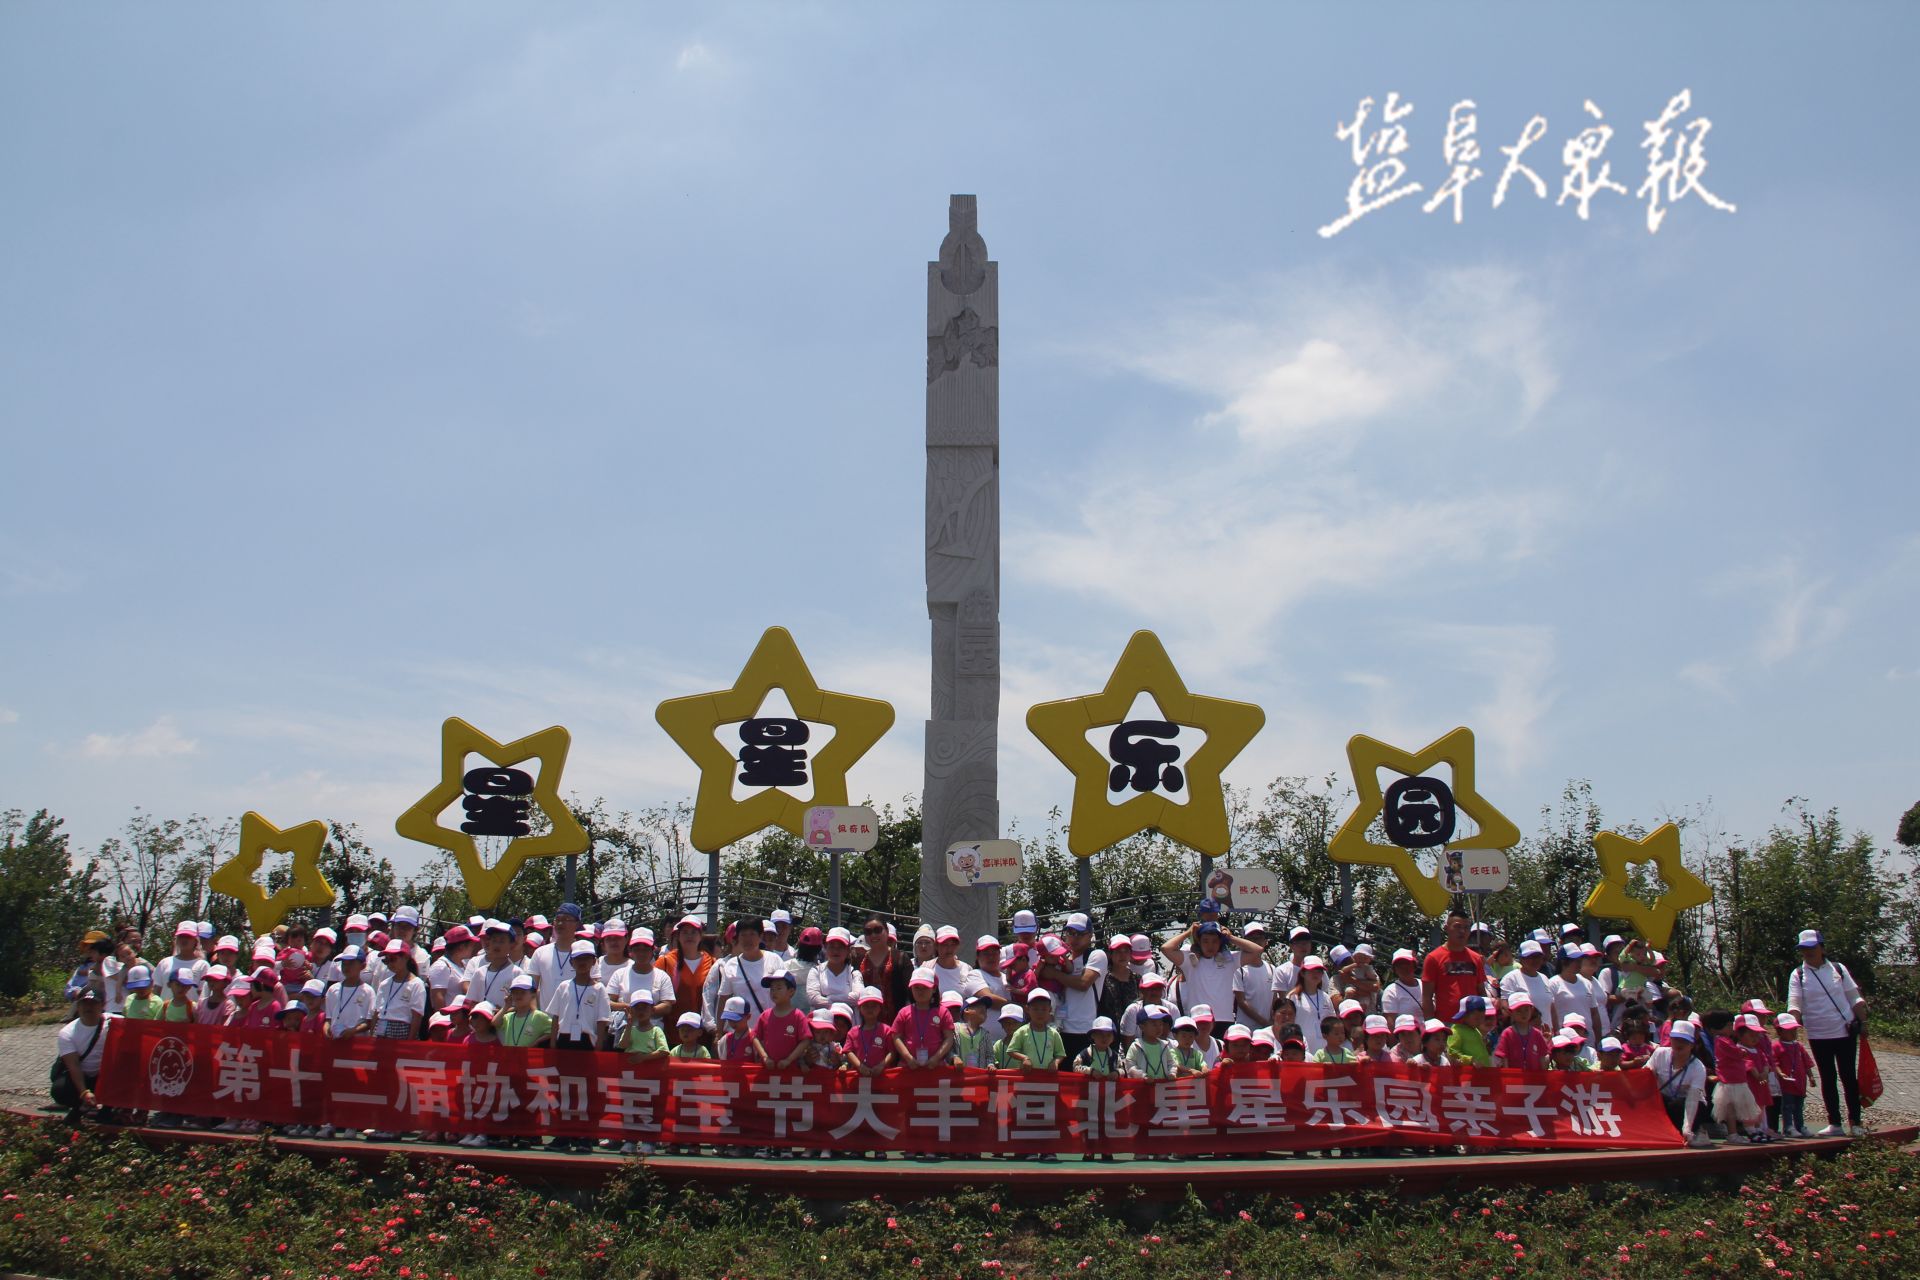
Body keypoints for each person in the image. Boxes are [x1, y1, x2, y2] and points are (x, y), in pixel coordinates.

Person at [1785, 928, 1868, 1136]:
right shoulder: (1798, 974)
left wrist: (1864, 1022)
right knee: (1828, 1077)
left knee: (1849, 1076)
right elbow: (1794, 1004)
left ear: (1822, 947)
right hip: (1818, 1033)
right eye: (1804, 948)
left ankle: (1855, 1122)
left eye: (1812, 947)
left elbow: (1853, 997)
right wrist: (1791, 1027)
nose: (1808, 952)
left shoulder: (1838, 969)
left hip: (1844, 1030)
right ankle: (1835, 1123)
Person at [1161, 918, 1263, 1018]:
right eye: (1205, 941)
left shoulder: (1229, 960)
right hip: (1199, 1019)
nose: (1210, 945)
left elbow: (1257, 950)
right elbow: (1165, 948)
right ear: (1199, 942)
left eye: (1215, 941)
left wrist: (1230, 937)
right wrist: (1188, 932)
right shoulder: (1190, 960)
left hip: (1224, 1019)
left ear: (1220, 942)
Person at [1647, 1022, 1712, 1147]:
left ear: (1692, 1044)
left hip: (1689, 1105)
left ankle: (1694, 1131)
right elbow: (1645, 1075)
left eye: (1684, 1040)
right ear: (1670, 1039)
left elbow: (1692, 1099)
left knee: (1678, 1105)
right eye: (1676, 1039)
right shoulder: (1659, 1054)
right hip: (1664, 1101)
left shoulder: (1698, 1067)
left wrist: (1686, 1128)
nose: (1679, 1043)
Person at [53, 987, 112, 1121]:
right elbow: (74, 1066)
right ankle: (81, 1106)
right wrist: (84, 1092)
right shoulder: (67, 1033)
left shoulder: (115, 1022)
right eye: (85, 1003)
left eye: (93, 1004)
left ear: (103, 1005)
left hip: (106, 1076)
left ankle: (109, 1109)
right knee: (59, 1090)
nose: (88, 1007)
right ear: (78, 1006)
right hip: (83, 1077)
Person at [1421, 910, 1487, 1025]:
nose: (1462, 931)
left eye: (1466, 927)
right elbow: (1427, 997)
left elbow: (1482, 992)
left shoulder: (1476, 959)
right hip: (1445, 1024)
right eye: (1457, 927)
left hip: (1472, 1025)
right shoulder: (1433, 958)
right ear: (1446, 928)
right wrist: (1430, 1025)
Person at [890, 971, 955, 1069]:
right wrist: (908, 1058)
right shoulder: (903, 1012)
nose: (920, 992)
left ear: (934, 989)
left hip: (936, 1067)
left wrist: (936, 1058)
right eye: (916, 988)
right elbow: (896, 1037)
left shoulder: (943, 1012)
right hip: (908, 1067)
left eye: (925, 987)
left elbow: (949, 1038)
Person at [752, 971, 812, 1074]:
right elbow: (754, 1036)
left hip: (791, 1072)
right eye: (772, 989)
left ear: (791, 991)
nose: (774, 992)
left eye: (779, 988)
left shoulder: (798, 1016)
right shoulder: (765, 1015)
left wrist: (789, 1060)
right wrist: (765, 1057)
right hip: (767, 1070)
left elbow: (805, 1040)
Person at [374, 939, 427, 1040]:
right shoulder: (384, 984)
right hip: (382, 1027)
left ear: (406, 957)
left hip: (402, 1029)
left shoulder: (416, 984)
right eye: (386, 960)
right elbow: (377, 1012)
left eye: (393, 959)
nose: (390, 964)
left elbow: (417, 1016)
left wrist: (409, 1041)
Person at [1772, 1014, 1814, 1138]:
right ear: (1779, 1031)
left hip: (1800, 1082)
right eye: (1789, 1030)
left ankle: (1800, 1126)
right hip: (1786, 1083)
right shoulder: (1776, 1046)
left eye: (1794, 1030)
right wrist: (1780, 1072)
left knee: (1799, 1106)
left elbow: (1806, 1062)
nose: (1793, 1032)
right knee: (1787, 1105)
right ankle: (1788, 1127)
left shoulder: (1798, 1046)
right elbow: (1774, 1062)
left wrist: (1811, 1077)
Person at [1230, 922, 1278, 1030]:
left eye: (1259, 938)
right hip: (1245, 1028)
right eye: (1252, 939)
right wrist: (1263, 1022)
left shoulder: (1272, 969)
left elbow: (1274, 999)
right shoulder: (1239, 970)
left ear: (1265, 941)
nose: (1256, 941)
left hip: (1268, 1028)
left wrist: (1271, 1021)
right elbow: (1241, 1002)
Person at [1284, 957, 1335, 1055]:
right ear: (1303, 973)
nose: (1316, 974)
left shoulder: (1325, 997)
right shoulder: (1293, 997)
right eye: (1312, 970)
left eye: (1319, 971)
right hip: (1302, 1050)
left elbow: (1332, 1023)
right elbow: (1287, 1024)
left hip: (1324, 1051)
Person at [1007, 991, 1065, 1073]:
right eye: (1035, 1009)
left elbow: (1060, 1054)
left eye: (1044, 1009)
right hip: (1026, 1077)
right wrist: (1024, 1058)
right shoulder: (1021, 1031)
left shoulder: (1054, 1033)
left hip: (1047, 1079)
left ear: (1050, 1010)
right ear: (1027, 1009)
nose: (1040, 1013)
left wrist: (1055, 1062)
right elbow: (1011, 1050)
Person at [1492, 994, 1549, 1070]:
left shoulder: (1537, 1034)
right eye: (1519, 1010)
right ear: (1511, 1012)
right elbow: (1504, 1058)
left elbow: (1542, 1058)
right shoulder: (1507, 1033)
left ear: (1531, 1010)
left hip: (1534, 1079)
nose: (1523, 1013)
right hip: (1514, 1079)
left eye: (1526, 1009)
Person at [498, 975, 555, 1049]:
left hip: (529, 1058)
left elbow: (555, 1030)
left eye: (523, 992)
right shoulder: (510, 1016)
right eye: (515, 992)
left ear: (533, 994)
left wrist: (537, 1041)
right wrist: (506, 1006)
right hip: (510, 1057)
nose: (518, 995)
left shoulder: (539, 1016)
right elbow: (495, 1022)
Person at [845, 990, 893, 1076]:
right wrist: (860, 1066)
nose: (870, 1009)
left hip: (881, 1077)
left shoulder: (887, 1030)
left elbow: (892, 1052)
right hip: (858, 1078)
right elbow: (848, 1051)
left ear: (880, 1008)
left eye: (874, 1006)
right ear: (859, 1008)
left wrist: (882, 1065)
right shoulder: (853, 1032)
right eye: (866, 1006)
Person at [1126, 1006, 1177, 1080]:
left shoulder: (1165, 1045)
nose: (1159, 1027)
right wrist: (1143, 1076)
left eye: (1160, 1024)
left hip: (1162, 1088)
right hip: (1143, 1088)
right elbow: (1130, 1065)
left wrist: (1172, 1073)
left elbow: (1171, 1063)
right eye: (1154, 1024)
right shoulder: (1136, 1046)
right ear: (1142, 1027)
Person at [1446, 996, 1493, 1067]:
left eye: (1482, 1017)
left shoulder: (1476, 1030)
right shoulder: (1456, 1031)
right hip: (1467, 1075)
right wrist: (1470, 1060)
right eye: (1476, 1018)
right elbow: (1452, 1053)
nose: (1480, 1021)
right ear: (1464, 1015)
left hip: (1483, 1073)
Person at [1381, 949, 1424, 1025]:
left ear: (1414, 966)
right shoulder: (1391, 991)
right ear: (1395, 969)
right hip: (1406, 1035)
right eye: (1399, 965)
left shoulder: (1425, 985)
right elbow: (1390, 1023)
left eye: (1407, 963)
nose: (1404, 967)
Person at [954, 994, 995, 1068]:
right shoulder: (955, 1028)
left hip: (978, 1077)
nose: (984, 1008)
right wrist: (954, 1057)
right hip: (958, 1076)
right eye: (979, 1005)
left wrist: (990, 1064)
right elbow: (949, 1050)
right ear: (966, 1010)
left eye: (985, 1009)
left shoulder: (985, 1034)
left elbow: (990, 1055)